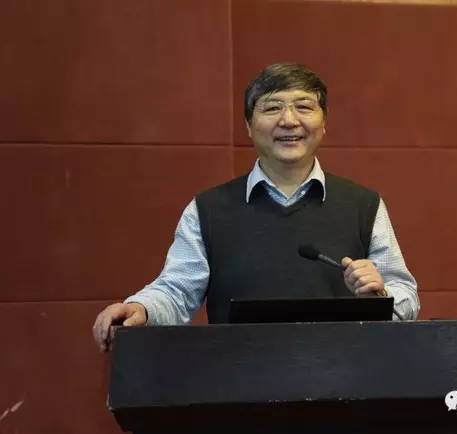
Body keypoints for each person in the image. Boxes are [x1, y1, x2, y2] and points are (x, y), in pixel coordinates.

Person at [92, 62, 419, 351]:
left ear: (324, 122)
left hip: (342, 383)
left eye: (304, 107)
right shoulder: (209, 209)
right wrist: (141, 309)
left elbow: (406, 298)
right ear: (248, 125)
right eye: (272, 107)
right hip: (237, 385)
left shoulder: (363, 205)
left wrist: (380, 297)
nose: (289, 120)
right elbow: (177, 290)